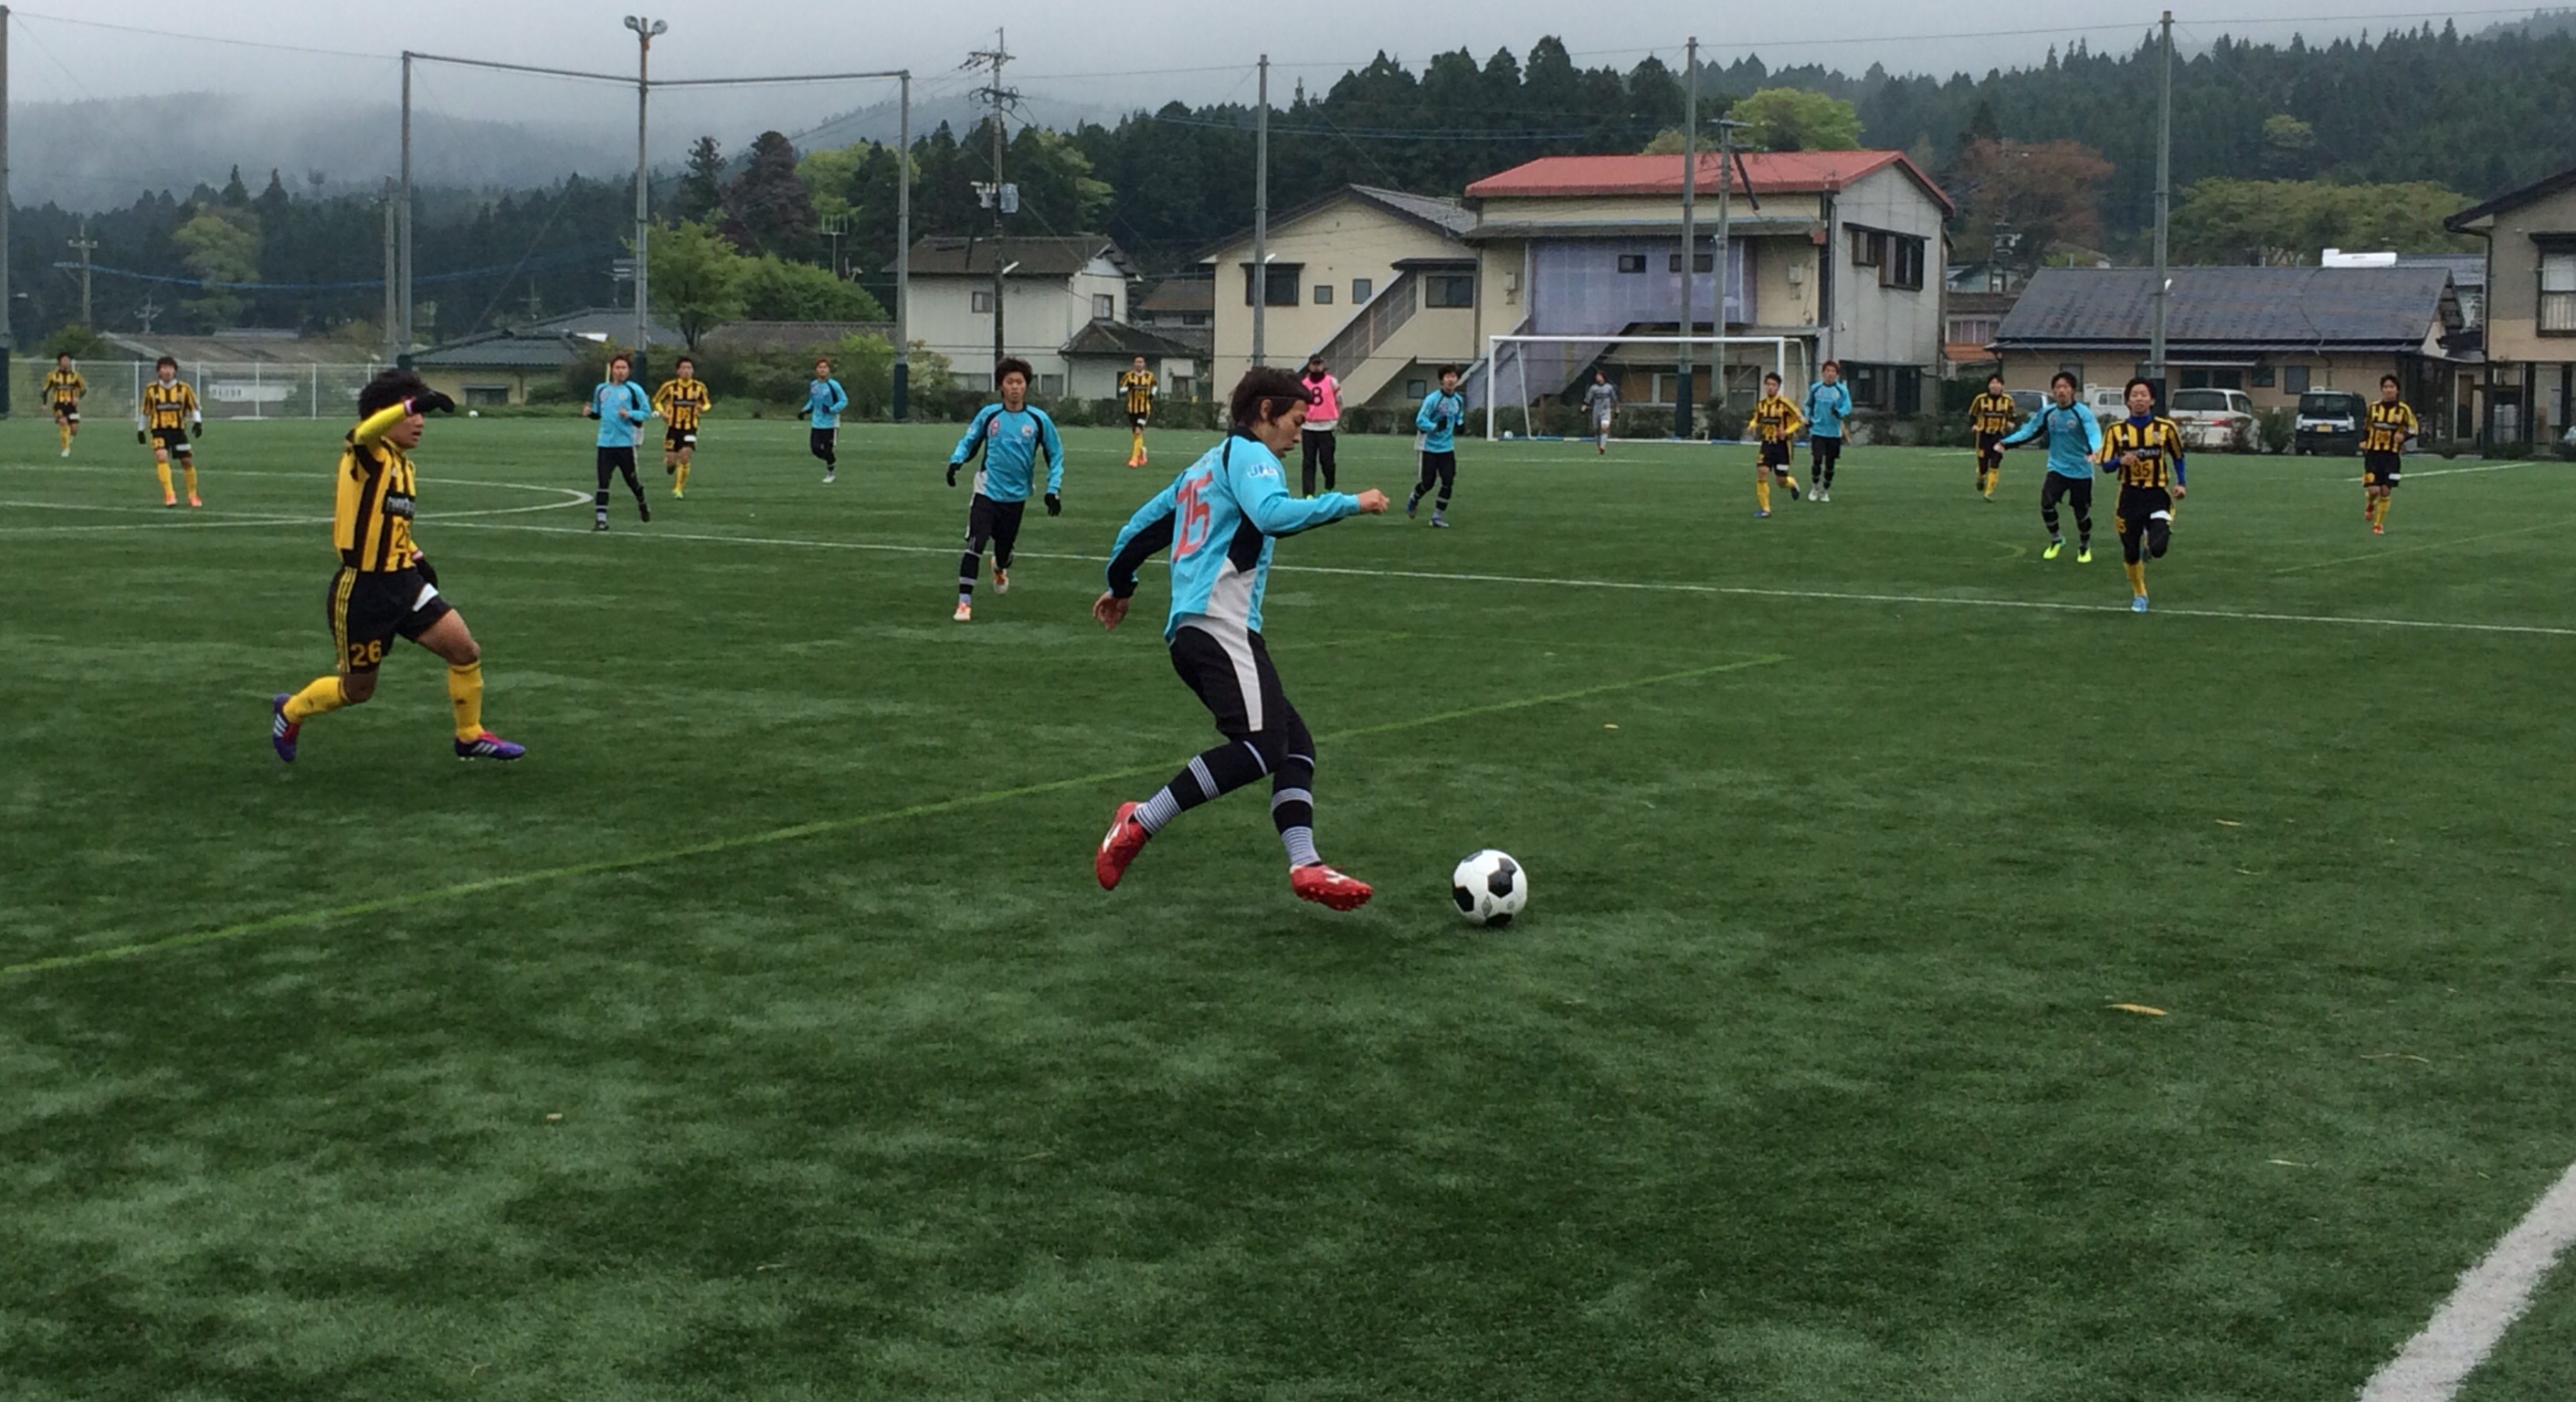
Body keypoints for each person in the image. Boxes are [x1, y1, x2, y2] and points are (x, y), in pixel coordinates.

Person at [1091, 366, 1390, 910]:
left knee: (1293, 743)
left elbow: (1138, 531)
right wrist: (1352, 502)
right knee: (1262, 747)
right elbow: (1271, 514)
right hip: (1218, 624)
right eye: (1295, 420)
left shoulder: (1202, 469)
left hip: (1196, 632)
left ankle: (1305, 862)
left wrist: (1121, 586)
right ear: (1265, 412)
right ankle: (1140, 819)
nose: (1299, 434)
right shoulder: (1253, 456)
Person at [269, 369, 525, 764]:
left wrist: (417, 557)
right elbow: (364, 432)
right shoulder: (366, 453)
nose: (420, 421)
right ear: (385, 414)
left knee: (464, 650)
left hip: (404, 582)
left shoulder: (404, 466)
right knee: (358, 690)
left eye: (421, 413)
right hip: (363, 590)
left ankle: (470, 734)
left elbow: (391, 524)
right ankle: (291, 711)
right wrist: (410, 404)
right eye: (412, 413)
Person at [945, 357, 1064, 622]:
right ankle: (964, 603)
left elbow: (1056, 455)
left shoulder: (1038, 419)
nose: (1014, 387)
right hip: (986, 490)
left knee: (1003, 552)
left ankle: (999, 566)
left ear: (1026, 386)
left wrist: (1052, 489)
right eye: (1009, 382)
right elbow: (969, 441)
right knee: (975, 543)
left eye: (1019, 382)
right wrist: (956, 461)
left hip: (1016, 496)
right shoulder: (989, 415)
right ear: (1001, 385)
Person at [2098, 377, 2189, 613]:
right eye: (2135, 395)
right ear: (2128, 401)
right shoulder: (2116, 431)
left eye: (2144, 394)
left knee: (2159, 548)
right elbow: (2105, 465)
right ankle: (2140, 594)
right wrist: (2120, 460)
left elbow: (2178, 456)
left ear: (2152, 400)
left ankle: (2151, 539)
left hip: (2156, 495)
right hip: (2129, 497)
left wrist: (2181, 483)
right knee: (2130, 551)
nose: (2139, 399)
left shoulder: (2166, 428)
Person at [1998, 371, 2105, 562]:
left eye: (2065, 387)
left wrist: (2094, 450)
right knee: (2047, 504)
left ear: (2072, 391)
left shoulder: (2082, 412)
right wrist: (2006, 443)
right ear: (2053, 391)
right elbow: (2029, 431)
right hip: (2057, 468)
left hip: (2081, 470)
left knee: (2080, 512)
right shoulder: (2048, 412)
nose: (2061, 390)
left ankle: (2084, 546)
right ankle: (2056, 539)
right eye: (2057, 387)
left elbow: (2093, 433)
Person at [585, 353, 653, 531]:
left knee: (631, 480)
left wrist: (629, 414)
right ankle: (601, 520)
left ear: (629, 371)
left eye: (624, 368)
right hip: (605, 444)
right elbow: (598, 412)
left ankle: (642, 503)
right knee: (603, 481)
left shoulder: (633, 390)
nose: (620, 371)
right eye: (617, 368)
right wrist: (589, 413)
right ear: (611, 369)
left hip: (625, 444)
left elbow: (646, 413)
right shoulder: (601, 389)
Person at [137, 355, 204, 508]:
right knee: (162, 457)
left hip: (178, 430)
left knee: (187, 461)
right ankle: (169, 494)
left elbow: (194, 407)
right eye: (164, 368)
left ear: (175, 371)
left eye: (170, 368)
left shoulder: (184, 388)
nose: (167, 371)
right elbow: (145, 411)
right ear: (158, 371)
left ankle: (193, 495)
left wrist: (198, 423)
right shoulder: (151, 389)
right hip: (158, 430)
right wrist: (140, 429)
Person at [1408, 365, 1467, 527]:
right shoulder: (1432, 399)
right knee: (1428, 483)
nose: (1451, 380)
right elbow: (1420, 420)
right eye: (1447, 376)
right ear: (1442, 380)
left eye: (1453, 376)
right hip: (1429, 448)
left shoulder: (1458, 399)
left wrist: (1460, 424)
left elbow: (1459, 415)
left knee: (1448, 481)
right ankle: (1414, 498)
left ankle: (1437, 516)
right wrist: (1434, 426)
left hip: (1447, 448)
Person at [2360, 374, 2418, 535]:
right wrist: (2363, 440)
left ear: (2397, 390)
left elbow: (2414, 429)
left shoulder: (2403, 409)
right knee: (2374, 491)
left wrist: (2404, 437)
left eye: (2391, 387)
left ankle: (2378, 525)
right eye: (2385, 387)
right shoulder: (2373, 407)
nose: (2388, 390)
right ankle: (2370, 504)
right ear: (2382, 390)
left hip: (2392, 456)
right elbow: (2366, 426)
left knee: (2385, 491)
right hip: (2373, 454)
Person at [651, 355, 713, 499]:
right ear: (678, 371)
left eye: (689, 368)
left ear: (693, 370)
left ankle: (678, 489)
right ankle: (670, 464)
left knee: (685, 456)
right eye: (683, 368)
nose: (686, 371)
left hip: (690, 428)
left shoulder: (699, 387)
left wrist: (702, 408)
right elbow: (657, 400)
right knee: (671, 461)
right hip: (673, 428)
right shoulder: (669, 386)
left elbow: (707, 404)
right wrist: (662, 412)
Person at [1747, 371, 1806, 517]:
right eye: (1768, 384)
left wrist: (1786, 432)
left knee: (1781, 481)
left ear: (1778, 387)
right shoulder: (1761, 405)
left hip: (1782, 446)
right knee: (1762, 472)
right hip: (1767, 444)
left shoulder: (1785, 403)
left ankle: (1792, 483)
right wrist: (1751, 425)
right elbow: (1756, 418)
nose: (1770, 387)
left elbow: (1801, 420)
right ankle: (1765, 509)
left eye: (1773, 385)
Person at [1801, 361, 1853, 501]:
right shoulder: (1815, 388)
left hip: (1833, 432)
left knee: (1830, 462)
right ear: (1823, 373)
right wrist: (1808, 417)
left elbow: (1847, 406)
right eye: (1827, 370)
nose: (1830, 374)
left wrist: (1839, 412)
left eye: (1833, 371)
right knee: (1817, 459)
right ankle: (1815, 488)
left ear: (1837, 374)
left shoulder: (1841, 390)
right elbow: (1808, 404)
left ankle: (1825, 490)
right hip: (1817, 430)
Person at [1968, 373, 2020, 500]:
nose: (1995, 386)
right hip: (1983, 436)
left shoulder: (2007, 400)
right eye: (1993, 383)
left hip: (1999, 436)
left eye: (1998, 383)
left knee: (1995, 462)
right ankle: (1981, 477)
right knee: (1983, 466)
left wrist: (2011, 423)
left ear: (2002, 386)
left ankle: (1989, 492)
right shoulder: (1980, 399)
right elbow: (1972, 414)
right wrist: (1974, 425)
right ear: (1988, 385)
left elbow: (2013, 415)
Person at [1300, 353, 1342, 494]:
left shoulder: (1332, 382)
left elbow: (1339, 401)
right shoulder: (1304, 384)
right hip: (1308, 427)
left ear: (1323, 366)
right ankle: (1308, 493)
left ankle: (1329, 482)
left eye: (1319, 364)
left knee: (1327, 461)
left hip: (1327, 427)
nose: (1317, 367)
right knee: (1308, 462)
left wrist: (1336, 419)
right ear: (1309, 366)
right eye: (1314, 364)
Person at [806, 358, 850, 481]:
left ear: (829, 370)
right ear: (816, 370)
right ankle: (831, 460)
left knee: (827, 449)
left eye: (825, 367)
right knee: (815, 449)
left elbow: (844, 400)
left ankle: (830, 473)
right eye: (820, 367)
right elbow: (812, 401)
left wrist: (831, 409)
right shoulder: (814, 385)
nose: (822, 370)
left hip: (830, 424)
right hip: (816, 423)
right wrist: (805, 410)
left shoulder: (833, 385)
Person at [43, 353, 87, 459]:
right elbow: (45, 390)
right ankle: (65, 449)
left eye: (68, 360)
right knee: (63, 423)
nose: (67, 362)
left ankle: (69, 437)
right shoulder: (52, 375)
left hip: (71, 406)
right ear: (59, 362)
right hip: (59, 405)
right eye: (64, 360)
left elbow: (84, 390)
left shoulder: (76, 376)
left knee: (74, 429)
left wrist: (77, 398)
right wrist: (44, 404)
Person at [1118, 354, 1157, 469]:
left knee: (1138, 431)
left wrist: (1152, 394)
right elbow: (1120, 389)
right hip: (1132, 409)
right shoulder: (1128, 376)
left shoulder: (1149, 376)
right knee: (1135, 435)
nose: (1139, 364)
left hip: (1144, 409)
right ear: (1134, 364)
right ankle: (1142, 451)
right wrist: (1129, 388)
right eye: (1137, 362)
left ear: (1144, 364)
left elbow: (1155, 385)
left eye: (1141, 362)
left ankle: (1134, 459)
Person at [1583, 370, 1619, 455]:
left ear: (1603, 377)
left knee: (1604, 428)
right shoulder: (1593, 388)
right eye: (1596, 376)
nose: (1597, 378)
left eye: (1599, 376)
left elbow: (1614, 399)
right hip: (1596, 410)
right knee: (1596, 429)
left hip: (1605, 411)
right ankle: (1599, 447)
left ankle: (1602, 446)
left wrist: (1617, 409)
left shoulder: (1609, 387)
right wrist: (1584, 406)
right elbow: (1588, 399)